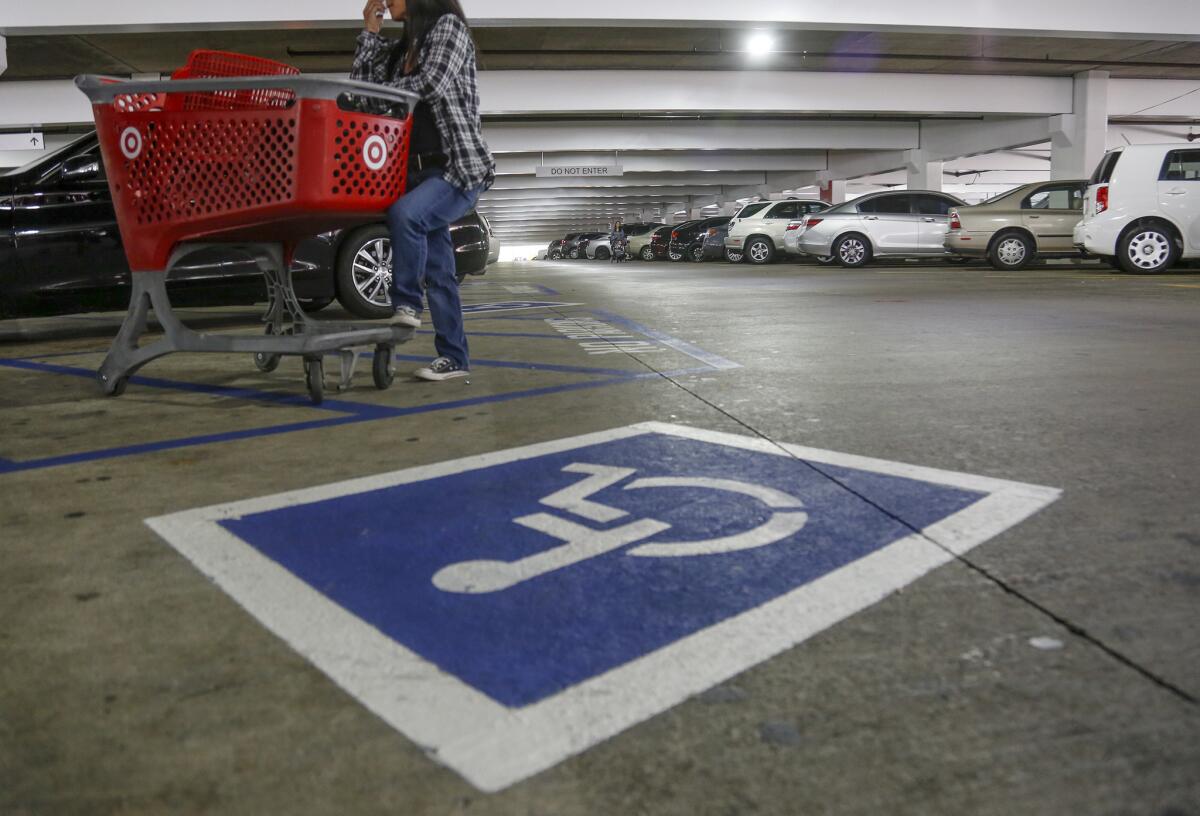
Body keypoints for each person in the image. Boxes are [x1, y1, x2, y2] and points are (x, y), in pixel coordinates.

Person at [353, 0, 495, 381]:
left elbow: (431, 83)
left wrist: (382, 92)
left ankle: (407, 304)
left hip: (456, 168)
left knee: (405, 215)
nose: (387, 1)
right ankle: (455, 358)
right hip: (412, 173)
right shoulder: (403, 50)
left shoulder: (448, 28)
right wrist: (370, 32)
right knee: (440, 271)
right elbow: (362, 92)